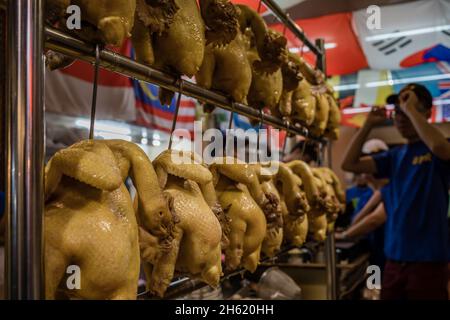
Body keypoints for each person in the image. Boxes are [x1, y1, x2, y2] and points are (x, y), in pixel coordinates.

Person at [341, 83, 450, 300]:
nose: (400, 116)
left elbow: (441, 149)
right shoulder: (394, 156)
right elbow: (349, 164)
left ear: (427, 112)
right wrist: (368, 125)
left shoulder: (437, 148)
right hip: (392, 262)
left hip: (427, 264)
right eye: (398, 111)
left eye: (408, 108)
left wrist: (410, 110)